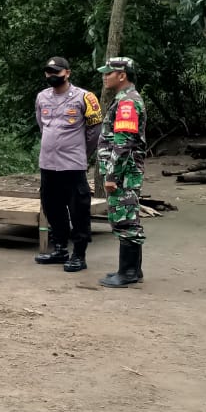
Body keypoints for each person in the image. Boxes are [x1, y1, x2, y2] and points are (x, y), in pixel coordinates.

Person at [34, 56, 103, 272]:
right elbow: (42, 125)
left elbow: (95, 131)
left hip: (72, 165)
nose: (52, 75)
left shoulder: (85, 97)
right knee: (52, 207)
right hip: (48, 164)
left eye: (56, 72)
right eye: (49, 72)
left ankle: (79, 254)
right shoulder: (42, 97)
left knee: (78, 210)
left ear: (67, 73)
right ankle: (60, 249)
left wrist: (82, 152)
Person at [96, 56, 147, 287]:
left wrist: (112, 176)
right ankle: (132, 270)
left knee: (124, 218)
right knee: (128, 216)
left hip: (124, 172)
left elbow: (123, 143)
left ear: (122, 75)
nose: (105, 76)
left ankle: (127, 272)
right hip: (126, 170)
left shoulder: (127, 102)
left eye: (109, 72)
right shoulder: (124, 99)